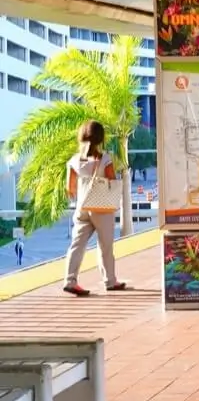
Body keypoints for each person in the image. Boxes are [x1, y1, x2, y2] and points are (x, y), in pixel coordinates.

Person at [63, 120, 126, 297]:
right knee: (105, 246)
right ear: (100, 138)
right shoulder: (104, 159)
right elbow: (112, 182)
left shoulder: (75, 160)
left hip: (82, 207)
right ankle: (110, 281)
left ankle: (70, 281)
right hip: (101, 208)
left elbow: (70, 188)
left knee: (77, 244)